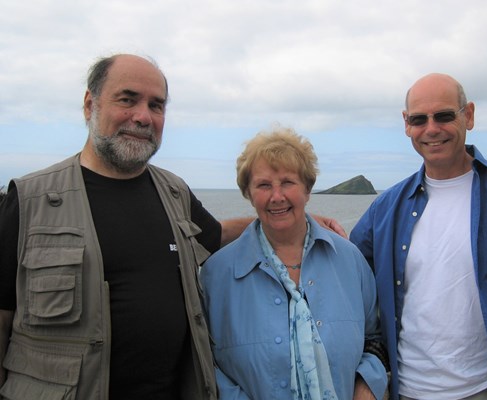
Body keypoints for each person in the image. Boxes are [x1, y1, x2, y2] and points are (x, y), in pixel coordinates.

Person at [0, 54, 345, 400]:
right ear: (90, 104)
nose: (143, 116)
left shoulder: (173, 191)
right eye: (127, 99)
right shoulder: (29, 201)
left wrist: (292, 221)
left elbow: (216, 235)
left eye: (156, 105)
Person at [350, 73, 487, 400]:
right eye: (419, 119)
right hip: (408, 391)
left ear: (469, 115)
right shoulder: (385, 208)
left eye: (444, 115)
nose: (431, 129)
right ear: (406, 124)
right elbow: (347, 271)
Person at [200, 127, 389, 400]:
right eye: (264, 185)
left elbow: (375, 338)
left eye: (288, 182)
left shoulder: (350, 260)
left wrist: (366, 387)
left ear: (308, 189)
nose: (277, 196)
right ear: (249, 193)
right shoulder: (216, 275)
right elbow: (207, 363)